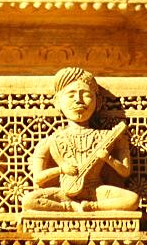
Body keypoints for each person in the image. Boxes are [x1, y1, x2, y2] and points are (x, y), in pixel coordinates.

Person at [21, 67, 140, 212]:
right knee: (28, 201)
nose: (79, 100)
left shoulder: (108, 137)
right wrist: (61, 170)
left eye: (86, 95)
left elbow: (125, 172)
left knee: (132, 200)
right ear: (57, 102)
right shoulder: (50, 141)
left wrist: (108, 158)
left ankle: (92, 207)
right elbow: (38, 179)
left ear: (99, 102)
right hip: (64, 193)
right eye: (71, 95)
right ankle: (68, 207)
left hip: (96, 192)